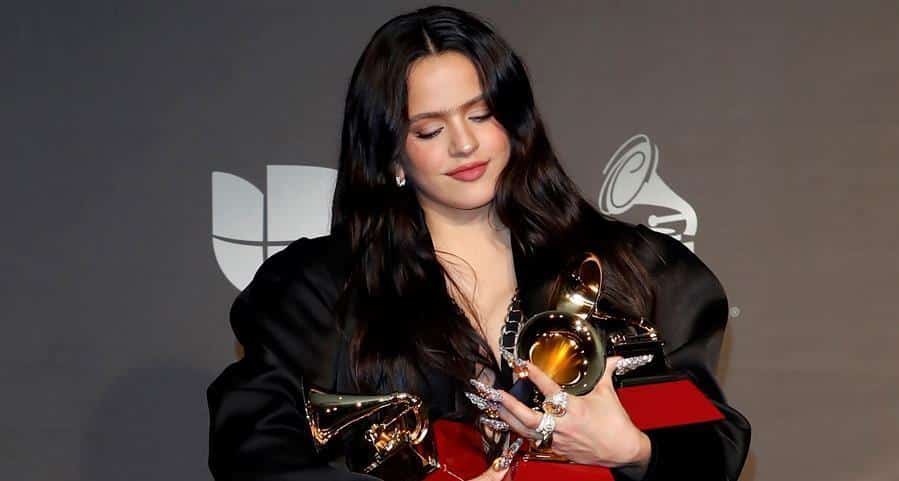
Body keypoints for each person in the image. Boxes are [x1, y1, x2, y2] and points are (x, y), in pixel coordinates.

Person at [206, 5, 750, 481]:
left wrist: (632, 451)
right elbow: (253, 449)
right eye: (429, 130)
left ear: (514, 122)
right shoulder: (319, 290)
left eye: (480, 114)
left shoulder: (633, 270)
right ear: (392, 156)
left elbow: (710, 443)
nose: (465, 144)